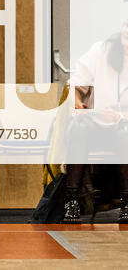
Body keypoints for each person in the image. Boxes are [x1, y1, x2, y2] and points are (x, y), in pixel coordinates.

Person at [64, 21, 128, 223]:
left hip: (122, 125)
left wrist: (121, 116)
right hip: (95, 122)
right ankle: (72, 199)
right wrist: (85, 108)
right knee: (78, 128)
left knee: (124, 133)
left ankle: (126, 201)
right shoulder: (100, 51)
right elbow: (76, 84)